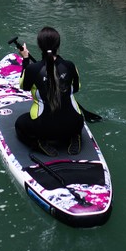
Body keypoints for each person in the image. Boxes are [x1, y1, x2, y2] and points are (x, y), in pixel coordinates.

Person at [14, 26, 85, 156]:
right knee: (73, 117)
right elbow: (76, 89)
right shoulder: (70, 65)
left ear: (39, 46)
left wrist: (25, 59)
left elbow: (24, 87)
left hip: (44, 129)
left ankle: (40, 143)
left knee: (19, 124)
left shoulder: (33, 69)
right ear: (58, 45)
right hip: (74, 124)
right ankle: (75, 136)